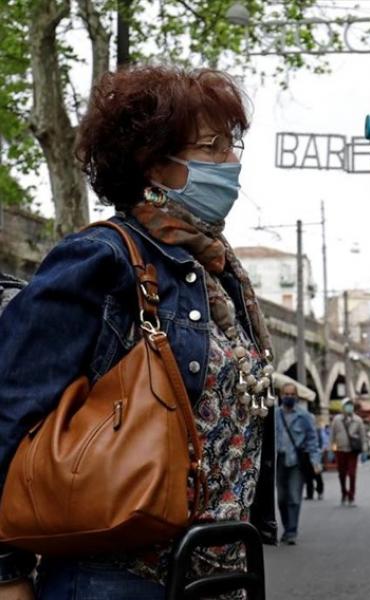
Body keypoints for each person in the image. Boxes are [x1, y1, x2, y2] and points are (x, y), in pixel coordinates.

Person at [0, 66, 274, 599]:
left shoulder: (219, 273)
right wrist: (7, 575)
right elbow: (7, 414)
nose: (232, 162)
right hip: (114, 579)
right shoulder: (100, 259)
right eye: (212, 147)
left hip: (218, 575)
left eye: (233, 144)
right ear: (152, 163)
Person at [276, 383, 321, 544]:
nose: (289, 397)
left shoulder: (305, 416)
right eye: (286, 394)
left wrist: (316, 461)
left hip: (297, 461)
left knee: (294, 497)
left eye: (292, 394)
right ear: (281, 395)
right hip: (279, 461)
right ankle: (287, 526)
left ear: (296, 397)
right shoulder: (274, 415)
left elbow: (312, 440)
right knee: (281, 499)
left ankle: (291, 531)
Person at [330, 399, 367, 506]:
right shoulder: (337, 419)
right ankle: (343, 493)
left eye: (350, 405)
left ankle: (351, 496)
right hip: (340, 450)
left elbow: (363, 435)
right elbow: (332, 435)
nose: (349, 407)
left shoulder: (358, 420)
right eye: (347, 405)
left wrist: (364, 449)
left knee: (352, 474)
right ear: (343, 407)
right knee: (341, 474)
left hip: (352, 450)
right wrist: (331, 449)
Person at [304, 418, 326, 502]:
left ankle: (320, 491)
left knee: (317, 474)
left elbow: (321, 442)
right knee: (308, 475)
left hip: (315, 454)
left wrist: (320, 451)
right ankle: (310, 494)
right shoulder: (304, 429)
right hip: (306, 454)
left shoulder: (317, 430)